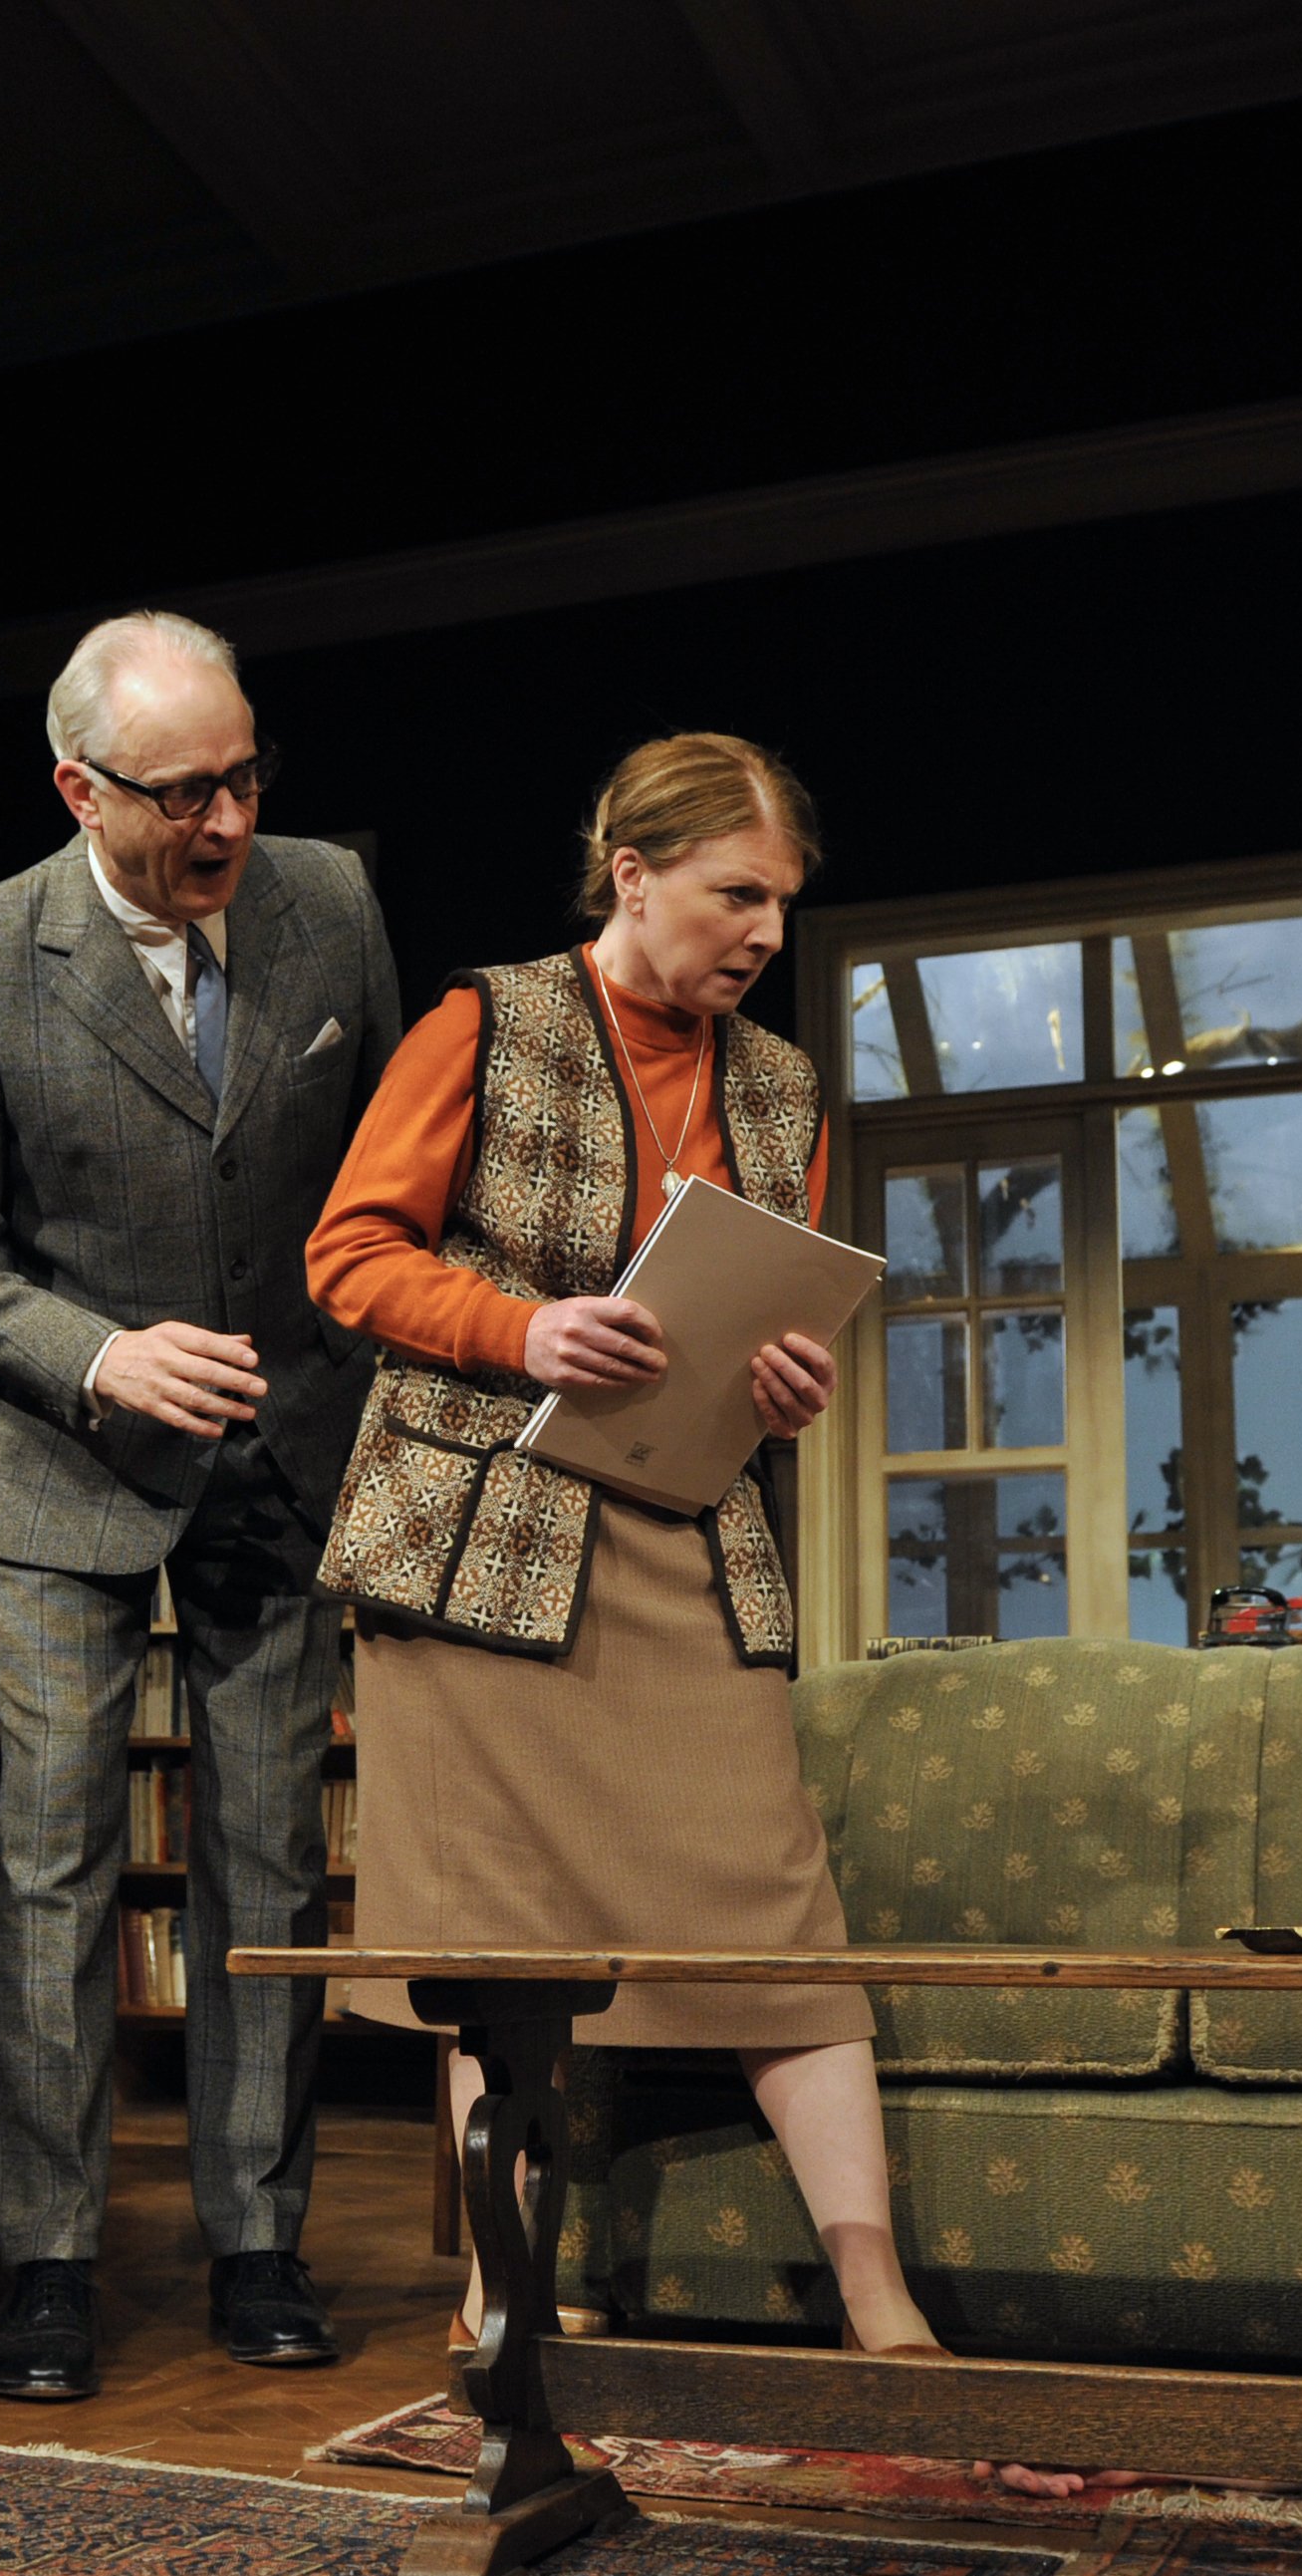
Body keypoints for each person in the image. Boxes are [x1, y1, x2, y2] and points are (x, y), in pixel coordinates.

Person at [304, 731, 940, 2361]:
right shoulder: (490, 1020)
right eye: (738, 894)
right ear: (634, 873)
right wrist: (523, 1331)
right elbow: (350, 1257)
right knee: (501, 1943)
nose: (765, 935)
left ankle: (876, 2292)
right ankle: (507, 2283)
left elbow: (761, 1319)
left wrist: (786, 1385)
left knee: (773, 1910)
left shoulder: (780, 1083)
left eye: (785, 905)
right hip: (476, 1552)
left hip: (684, 1534)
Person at [0, 611, 402, 2400]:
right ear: (77, 788)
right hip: (62, 1465)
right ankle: (51, 2260)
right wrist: (99, 1358)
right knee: (51, 1862)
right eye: (184, 792)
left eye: (248, 775)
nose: (228, 821)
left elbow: (377, 1186)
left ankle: (259, 2238)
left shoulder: (330, 902)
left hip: (281, 1455)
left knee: (268, 1856)